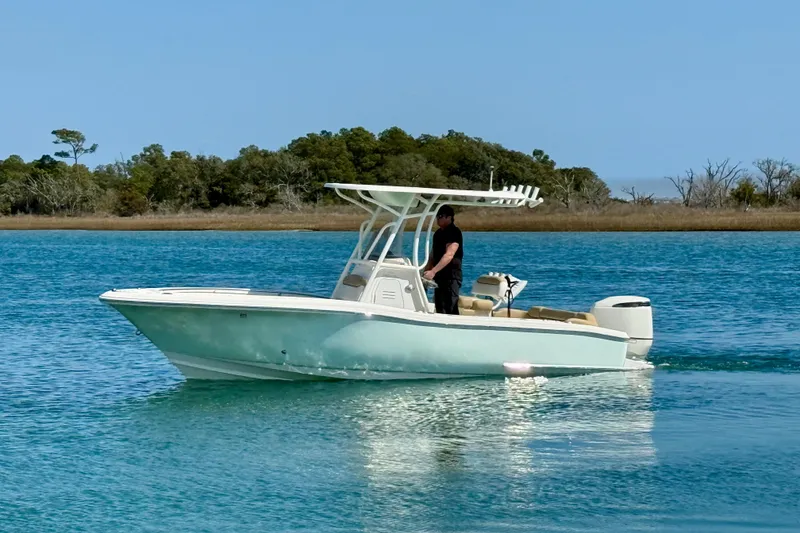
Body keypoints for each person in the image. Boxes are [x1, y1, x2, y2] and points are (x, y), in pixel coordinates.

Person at [423, 204, 463, 314]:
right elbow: (433, 254)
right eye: (437, 216)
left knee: (450, 307)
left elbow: (449, 254)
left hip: (451, 276)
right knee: (439, 306)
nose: (438, 219)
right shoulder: (438, 234)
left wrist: (433, 271)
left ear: (449, 217)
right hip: (439, 276)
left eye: (441, 216)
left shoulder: (454, 232)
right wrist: (426, 271)